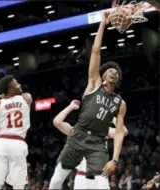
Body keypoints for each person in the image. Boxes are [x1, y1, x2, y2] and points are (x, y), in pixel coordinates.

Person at [49, 11, 127, 189]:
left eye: (116, 72)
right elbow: (95, 51)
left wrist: (115, 159)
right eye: (110, 71)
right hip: (78, 135)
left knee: (103, 185)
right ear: (103, 77)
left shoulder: (120, 103)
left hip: (98, 143)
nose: (114, 71)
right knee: (56, 179)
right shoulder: (93, 85)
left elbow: (121, 133)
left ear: (117, 81)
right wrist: (103, 23)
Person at [52, 100, 128, 189]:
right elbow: (57, 122)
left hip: (100, 177)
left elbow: (124, 131)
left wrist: (111, 117)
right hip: (81, 178)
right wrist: (71, 107)